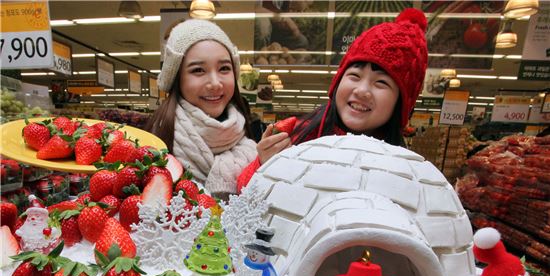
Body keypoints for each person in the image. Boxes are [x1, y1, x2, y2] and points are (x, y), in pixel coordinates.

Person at [237, 8, 428, 192]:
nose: (362, 90)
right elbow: (242, 192)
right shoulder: (298, 136)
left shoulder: (406, 173)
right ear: (338, 82)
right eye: (354, 75)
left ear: (401, 103)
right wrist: (262, 165)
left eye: (381, 83)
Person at [147, 19, 257, 200]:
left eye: (224, 68)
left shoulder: (252, 148)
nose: (215, 83)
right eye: (198, 70)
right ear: (177, 78)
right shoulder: (155, 143)